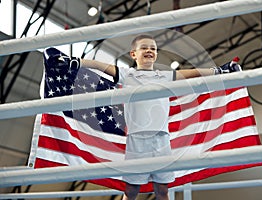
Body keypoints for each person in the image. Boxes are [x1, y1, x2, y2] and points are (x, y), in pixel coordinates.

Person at [58, 34, 240, 200]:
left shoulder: (165, 76)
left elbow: (193, 73)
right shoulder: (126, 74)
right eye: (144, 48)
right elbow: (100, 66)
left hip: (161, 139)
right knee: (131, 191)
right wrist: (77, 62)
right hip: (137, 139)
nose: (149, 51)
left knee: (162, 190)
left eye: (153, 48)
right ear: (133, 54)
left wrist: (219, 71)